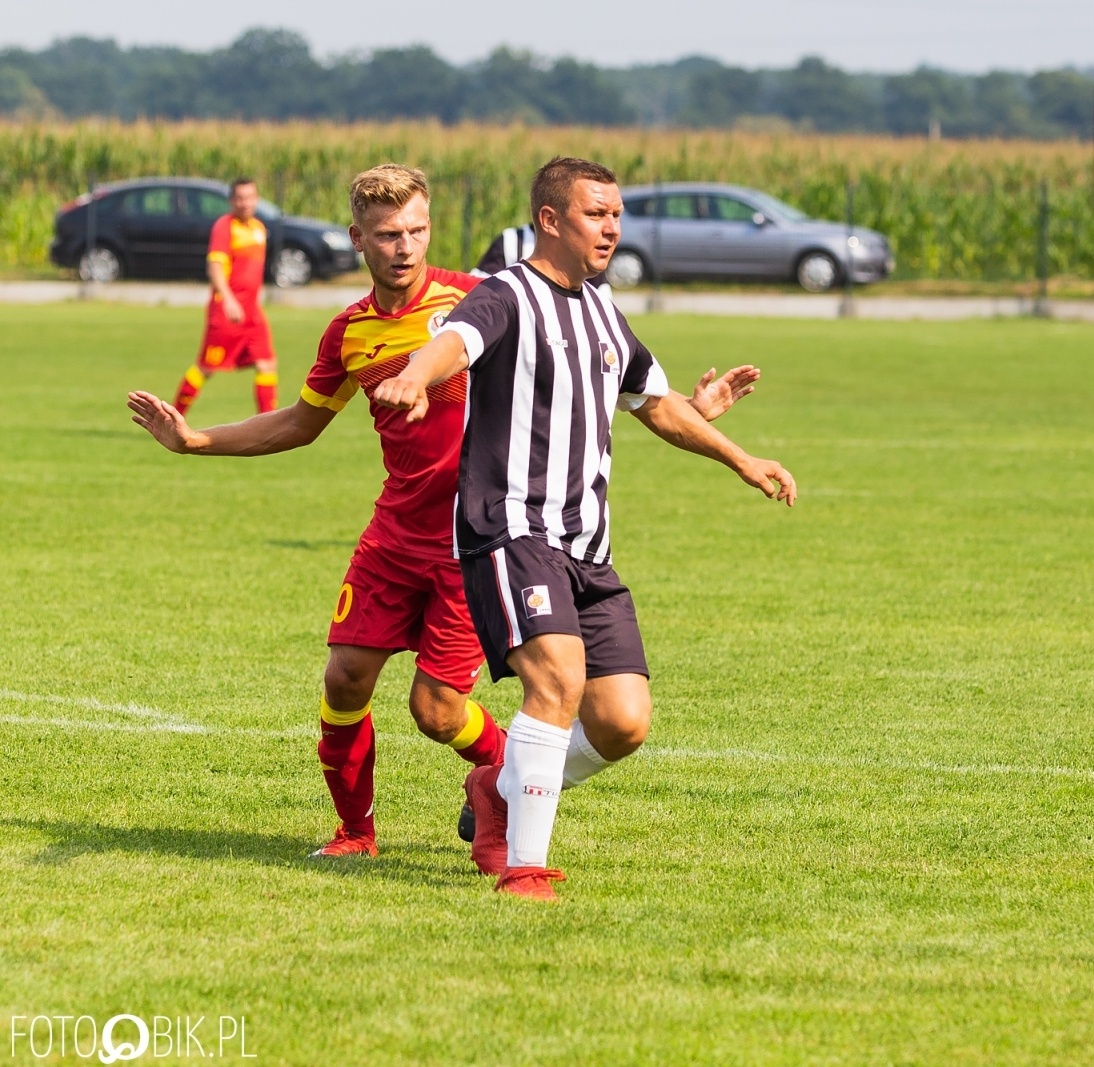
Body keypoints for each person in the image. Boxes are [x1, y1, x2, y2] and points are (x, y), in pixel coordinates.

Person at [129, 163, 760, 860]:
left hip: (479, 540)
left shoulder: (477, 298)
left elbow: (570, 365)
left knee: (435, 711)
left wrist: (697, 419)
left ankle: (503, 785)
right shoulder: (349, 333)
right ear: (358, 239)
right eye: (389, 234)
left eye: (417, 230)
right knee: (343, 676)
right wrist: (195, 440)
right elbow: (298, 425)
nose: (405, 246)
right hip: (395, 534)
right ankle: (354, 833)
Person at [372, 157, 797, 900]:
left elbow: (654, 400)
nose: (612, 228)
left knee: (623, 721)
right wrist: (417, 372)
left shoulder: (603, 310)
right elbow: (455, 344)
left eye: (616, 214)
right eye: (596, 214)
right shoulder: (506, 295)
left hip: (587, 547)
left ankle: (497, 787)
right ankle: (526, 869)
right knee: (558, 680)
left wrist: (738, 455)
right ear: (550, 219)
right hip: (511, 529)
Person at [173, 177, 278, 416]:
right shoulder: (224, 226)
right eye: (239, 198)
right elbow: (215, 268)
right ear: (231, 201)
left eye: (249, 197)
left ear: (257, 199)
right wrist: (228, 298)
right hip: (226, 312)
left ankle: (268, 423)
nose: (245, 203)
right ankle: (173, 416)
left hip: (252, 313)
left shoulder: (259, 229)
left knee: (267, 364)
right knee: (206, 367)